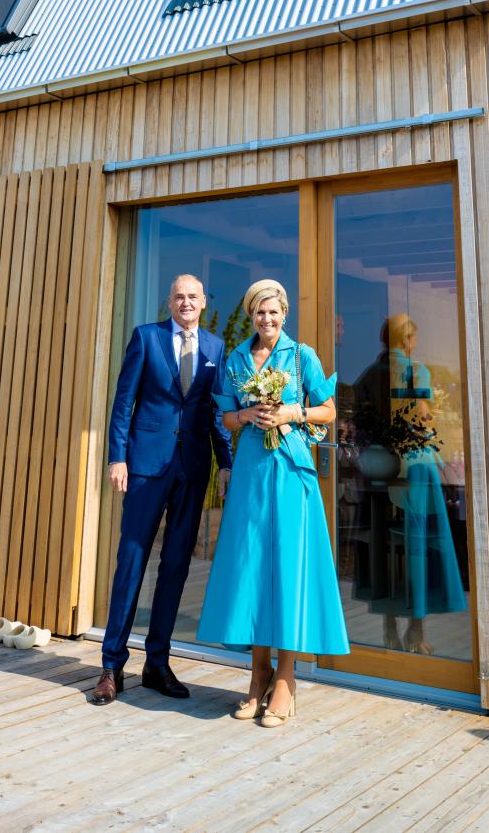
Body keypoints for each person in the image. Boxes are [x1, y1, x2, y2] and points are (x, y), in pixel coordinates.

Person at [197, 279, 349, 726]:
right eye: (259, 313)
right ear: (251, 316)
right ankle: (257, 671)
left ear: (284, 314)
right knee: (252, 566)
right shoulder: (238, 358)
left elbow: (328, 410)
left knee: (288, 568)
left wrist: (290, 412)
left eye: (274, 312)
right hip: (250, 474)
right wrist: (246, 415)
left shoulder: (302, 356)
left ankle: (286, 677)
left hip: (292, 473)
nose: (267, 320)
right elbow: (225, 417)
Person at [91, 274, 232, 706]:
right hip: (146, 468)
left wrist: (225, 462)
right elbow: (123, 401)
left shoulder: (214, 347)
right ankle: (111, 665)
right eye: (179, 296)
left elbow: (216, 409)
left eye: (193, 296)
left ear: (203, 302)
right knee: (131, 561)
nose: (186, 302)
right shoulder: (146, 337)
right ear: (169, 302)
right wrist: (118, 457)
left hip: (191, 469)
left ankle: (157, 663)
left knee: (174, 567)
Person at [387, 313, 467, 655]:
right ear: (408, 339)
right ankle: (416, 631)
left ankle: (389, 626)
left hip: (385, 468)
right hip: (415, 466)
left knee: (388, 549)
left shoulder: (373, 372)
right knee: (421, 548)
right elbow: (419, 414)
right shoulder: (415, 370)